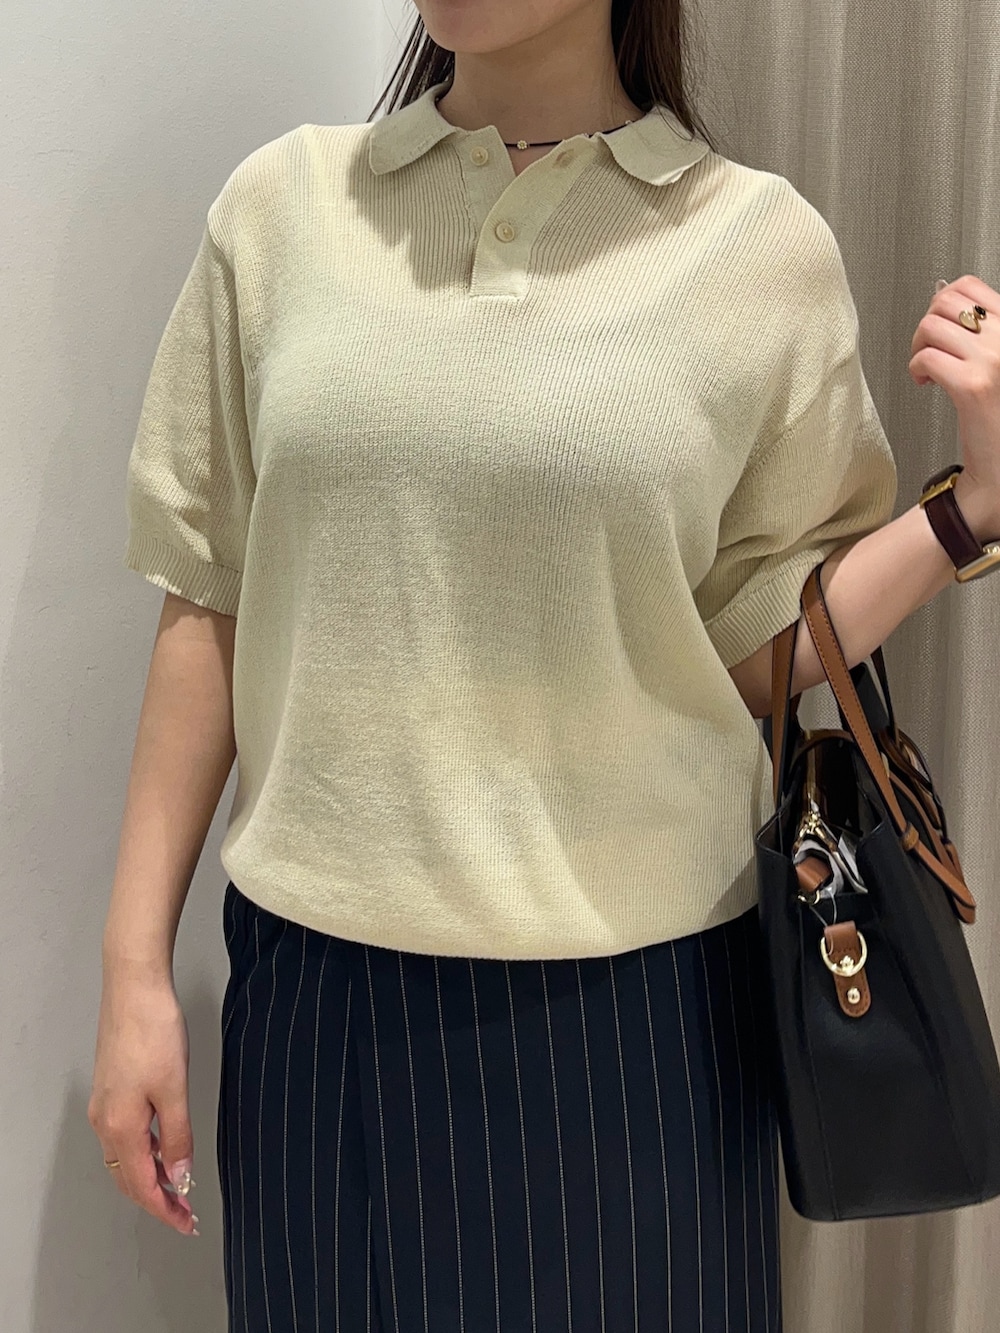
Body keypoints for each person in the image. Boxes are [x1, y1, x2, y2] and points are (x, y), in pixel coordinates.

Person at [89, 0, 1000, 1329]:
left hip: (637, 1020)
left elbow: (747, 656)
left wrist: (974, 509)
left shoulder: (757, 246)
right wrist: (132, 973)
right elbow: (208, 599)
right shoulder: (281, 210)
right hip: (318, 1010)